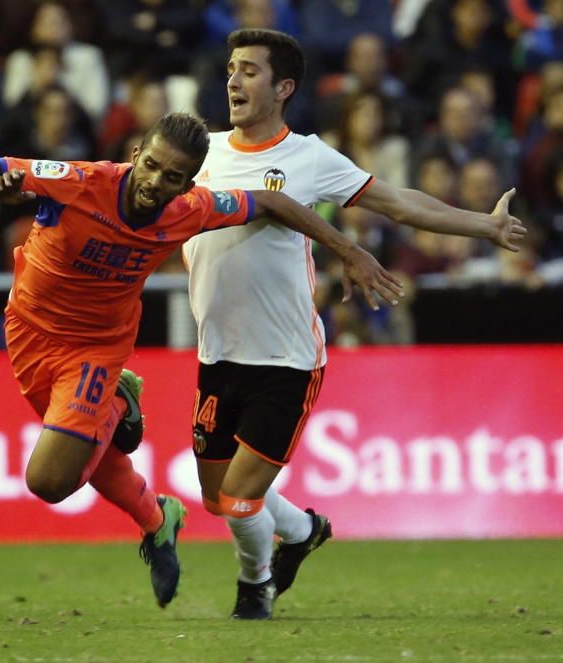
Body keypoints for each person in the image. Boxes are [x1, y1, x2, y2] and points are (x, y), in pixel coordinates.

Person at [0, 111, 403, 608]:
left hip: (95, 350)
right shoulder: (80, 182)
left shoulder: (190, 209)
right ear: (134, 157)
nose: (154, 182)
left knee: (50, 481)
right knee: (82, 455)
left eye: (173, 177)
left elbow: (273, 201)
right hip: (28, 331)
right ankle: (156, 519)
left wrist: (346, 249)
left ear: (189, 182)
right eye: (150, 166)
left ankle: (117, 404)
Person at [182, 29, 526, 620]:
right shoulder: (202, 153)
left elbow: (397, 203)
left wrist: (484, 227)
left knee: (239, 500)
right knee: (217, 498)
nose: (234, 81)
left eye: (250, 72)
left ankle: (254, 584)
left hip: (285, 359)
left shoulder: (308, 158)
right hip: (216, 352)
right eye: (232, 69)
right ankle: (304, 530)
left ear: (284, 87)